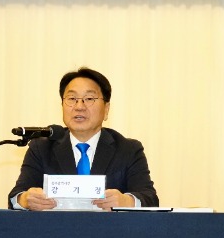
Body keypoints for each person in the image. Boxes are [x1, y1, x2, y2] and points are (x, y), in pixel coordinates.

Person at [9, 67, 158, 210]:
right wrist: (25, 199)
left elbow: (150, 199)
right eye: (72, 98)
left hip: (108, 228)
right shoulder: (41, 148)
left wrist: (127, 201)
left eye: (89, 98)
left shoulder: (128, 150)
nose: (79, 106)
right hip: (56, 227)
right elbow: (15, 197)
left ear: (106, 109)